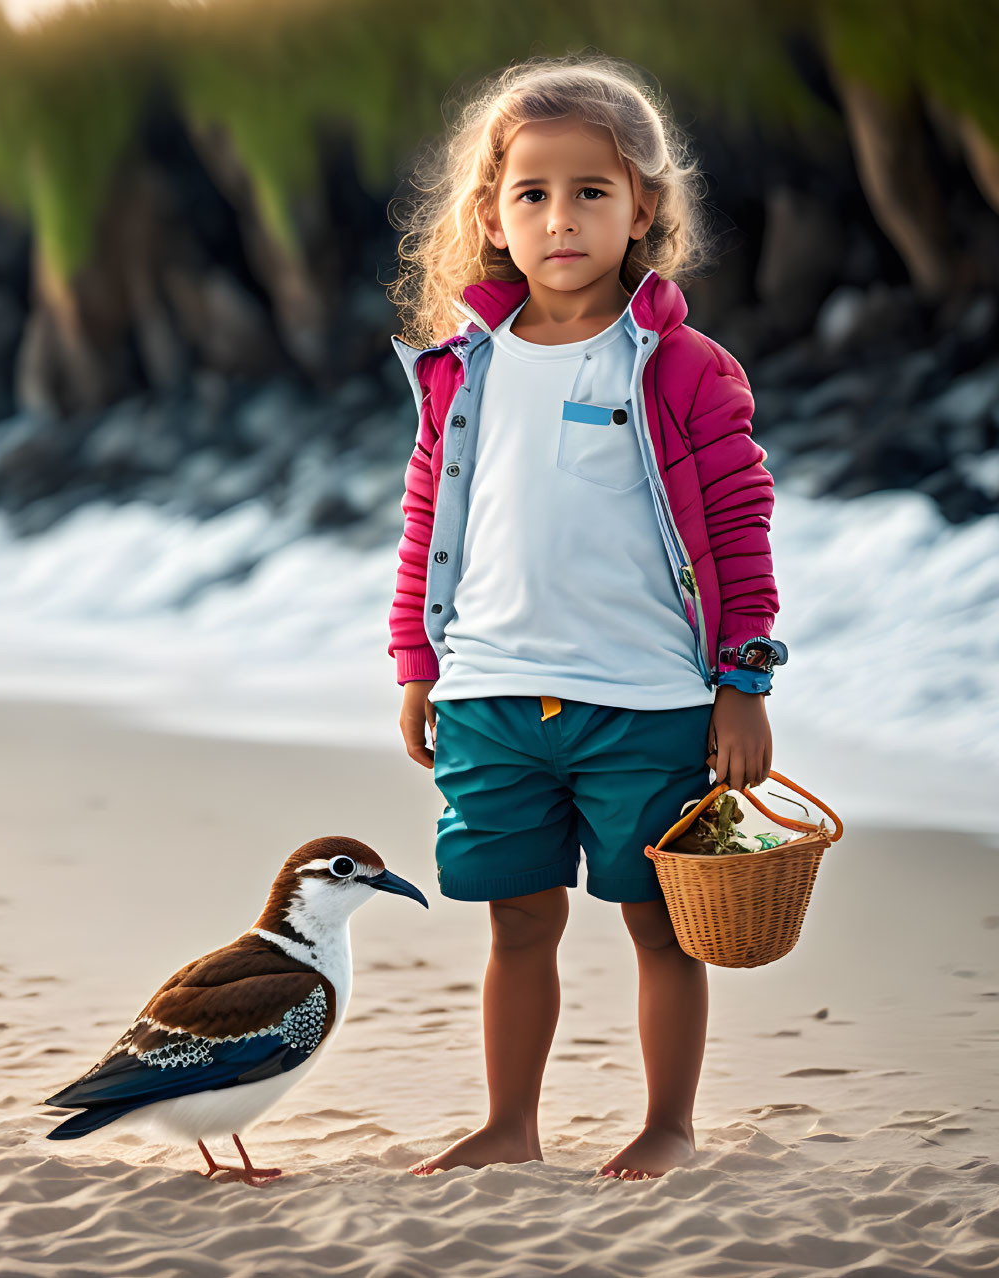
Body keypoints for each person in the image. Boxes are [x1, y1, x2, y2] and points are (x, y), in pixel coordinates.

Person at [384, 53, 786, 1181]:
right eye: (531, 194)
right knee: (515, 924)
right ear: (493, 215)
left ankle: (668, 1124)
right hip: (489, 697)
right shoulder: (459, 370)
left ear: (642, 208)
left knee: (660, 924)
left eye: (590, 192)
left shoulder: (685, 369)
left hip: (647, 703)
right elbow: (428, 519)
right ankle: (510, 1123)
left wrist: (742, 682)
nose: (559, 218)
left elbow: (739, 526)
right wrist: (417, 664)